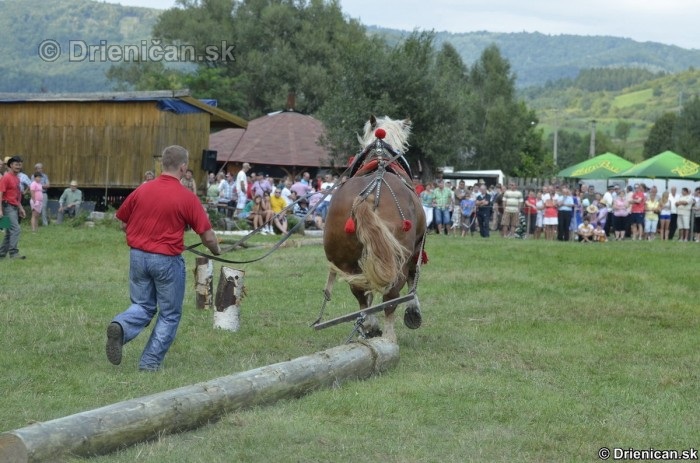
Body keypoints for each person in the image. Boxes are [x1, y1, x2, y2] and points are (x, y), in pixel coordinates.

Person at [106, 145, 221, 372]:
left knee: (143, 305)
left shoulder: (143, 189)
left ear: (162, 164)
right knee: (169, 314)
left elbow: (122, 222)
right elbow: (207, 236)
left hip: (138, 257)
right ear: (184, 167)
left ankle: (121, 324)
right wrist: (217, 251)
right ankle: (149, 363)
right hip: (167, 261)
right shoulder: (186, 197)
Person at [0, 156, 27, 259]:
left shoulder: (17, 178)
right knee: (16, 229)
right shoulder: (6, 177)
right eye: (16, 164)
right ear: (11, 165)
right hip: (7, 206)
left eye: (20, 164)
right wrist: (0, 209)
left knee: (8, 232)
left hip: (14, 206)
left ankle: (1, 253)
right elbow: (0, 193)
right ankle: (14, 253)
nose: (18, 166)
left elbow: (16, 195)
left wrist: (21, 208)